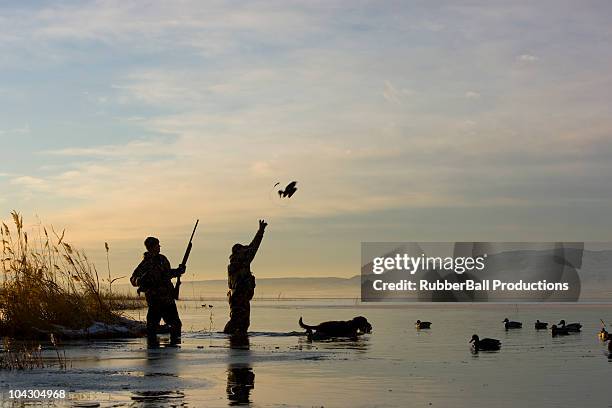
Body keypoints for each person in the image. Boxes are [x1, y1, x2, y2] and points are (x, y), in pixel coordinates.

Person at [130, 236, 186, 347]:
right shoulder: (145, 264)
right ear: (151, 247)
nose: (159, 247)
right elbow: (133, 279)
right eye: (157, 245)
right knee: (152, 328)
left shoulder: (163, 259)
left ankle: (173, 348)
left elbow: (167, 274)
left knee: (176, 325)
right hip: (154, 301)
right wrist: (139, 280)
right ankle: (152, 350)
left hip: (168, 299)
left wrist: (178, 271)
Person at [223, 220, 267, 335]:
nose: (245, 251)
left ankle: (235, 340)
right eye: (242, 250)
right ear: (238, 253)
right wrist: (261, 231)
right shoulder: (242, 262)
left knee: (241, 323)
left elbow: (251, 248)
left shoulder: (236, 263)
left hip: (238, 297)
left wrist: (260, 231)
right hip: (239, 297)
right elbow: (254, 247)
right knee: (238, 322)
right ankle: (231, 339)